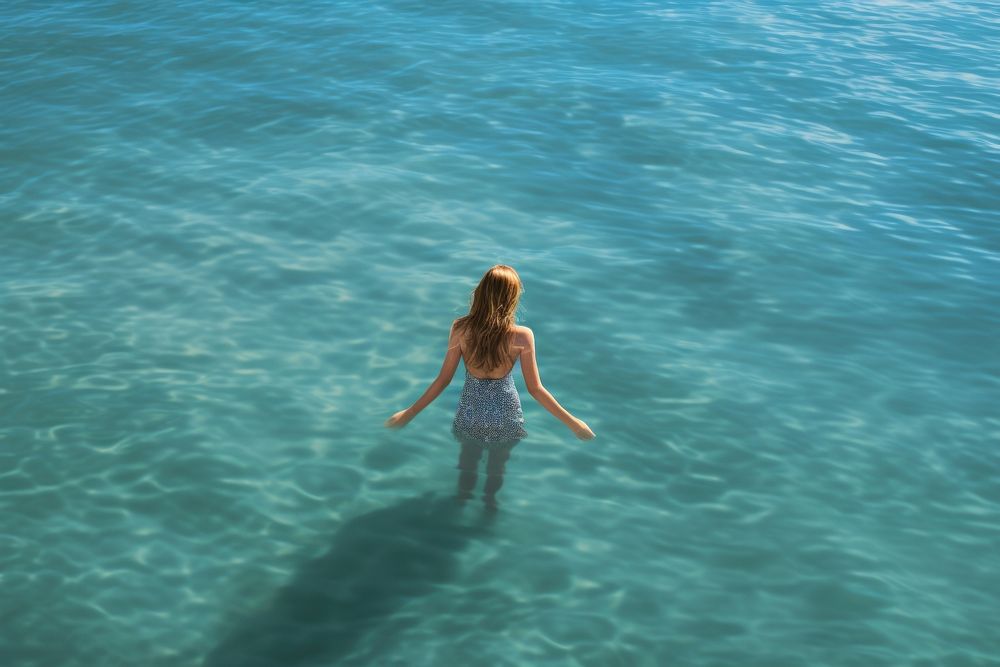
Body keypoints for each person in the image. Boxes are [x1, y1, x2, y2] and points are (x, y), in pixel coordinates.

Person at [384, 264, 595, 510]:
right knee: (497, 467)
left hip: (471, 412)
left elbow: (443, 380)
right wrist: (573, 423)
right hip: (505, 415)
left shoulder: (461, 328)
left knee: (468, 461)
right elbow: (536, 389)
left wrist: (407, 414)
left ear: (481, 292)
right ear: (512, 298)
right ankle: (490, 503)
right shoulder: (522, 336)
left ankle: (462, 499)